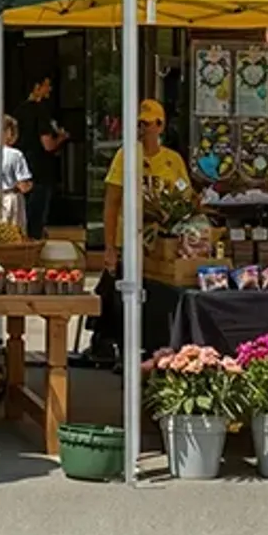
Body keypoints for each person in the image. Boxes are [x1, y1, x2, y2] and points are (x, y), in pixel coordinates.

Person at [96, 99, 193, 364]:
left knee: (158, 300)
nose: (142, 129)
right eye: (139, 123)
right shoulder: (125, 155)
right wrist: (109, 247)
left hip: (163, 244)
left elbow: (187, 199)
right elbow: (111, 202)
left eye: (147, 123)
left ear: (160, 125)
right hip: (130, 241)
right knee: (126, 298)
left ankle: (157, 352)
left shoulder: (173, 161)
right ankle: (124, 350)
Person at [15, 77, 67, 239]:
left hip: (22, 168)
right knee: (37, 215)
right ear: (36, 87)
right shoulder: (41, 112)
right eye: (46, 86)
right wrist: (61, 138)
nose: (49, 90)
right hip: (40, 169)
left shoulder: (18, 111)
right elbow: (47, 144)